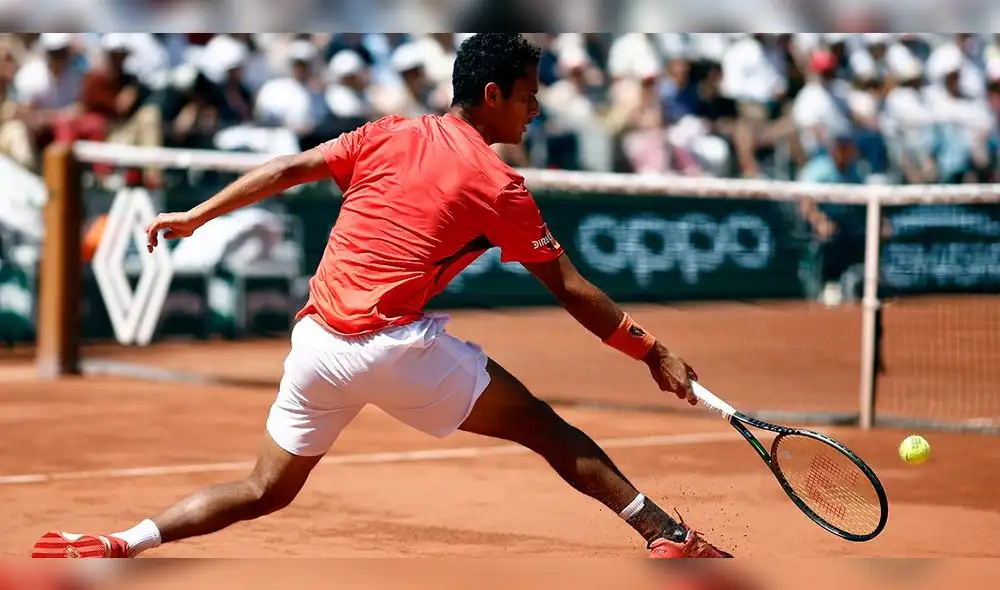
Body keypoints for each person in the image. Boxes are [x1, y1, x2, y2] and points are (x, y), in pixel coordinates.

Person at [31, 34, 731, 560]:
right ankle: (664, 534)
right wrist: (650, 349)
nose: (535, 107)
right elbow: (572, 290)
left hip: (315, 348)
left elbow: (290, 167)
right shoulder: (499, 185)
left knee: (263, 489)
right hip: (394, 348)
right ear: (493, 96)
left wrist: (195, 216)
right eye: (527, 94)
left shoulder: (388, 132)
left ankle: (124, 542)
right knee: (549, 430)